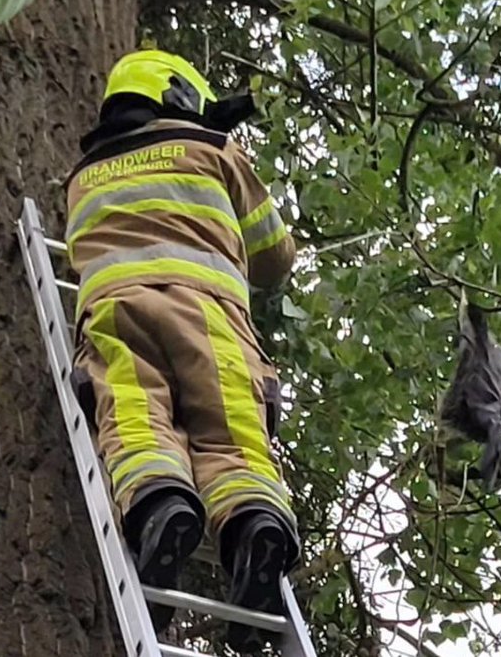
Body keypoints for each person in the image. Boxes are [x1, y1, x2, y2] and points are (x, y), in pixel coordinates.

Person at [65, 49, 300, 652]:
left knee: (134, 416)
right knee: (231, 429)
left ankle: (160, 506)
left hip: (116, 314)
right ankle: (254, 527)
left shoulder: (83, 177)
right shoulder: (213, 149)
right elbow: (275, 257)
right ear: (180, 96)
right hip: (208, 313)